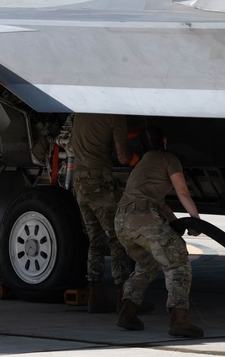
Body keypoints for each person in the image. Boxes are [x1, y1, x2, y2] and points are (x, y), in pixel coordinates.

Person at [115, 124, 204, 338]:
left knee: (147, 264)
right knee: (178, 260)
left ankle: (127, 311)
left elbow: (158, 203)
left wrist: (173, 220)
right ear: (164, 142)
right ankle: (178, 320)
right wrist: (196, 220)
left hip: (122, 222)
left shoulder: (142, 165)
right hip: (143, 217)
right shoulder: (169, 159)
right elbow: (182, 191)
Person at [70, 113, 135, 313]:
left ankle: (95, 297)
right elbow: (123, 157)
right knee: (117, 238)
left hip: (79, 183)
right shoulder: (114, 116)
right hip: (99, 184)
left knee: (95, 240)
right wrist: (141, 160)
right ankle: (125, 300)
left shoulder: (79, 113)